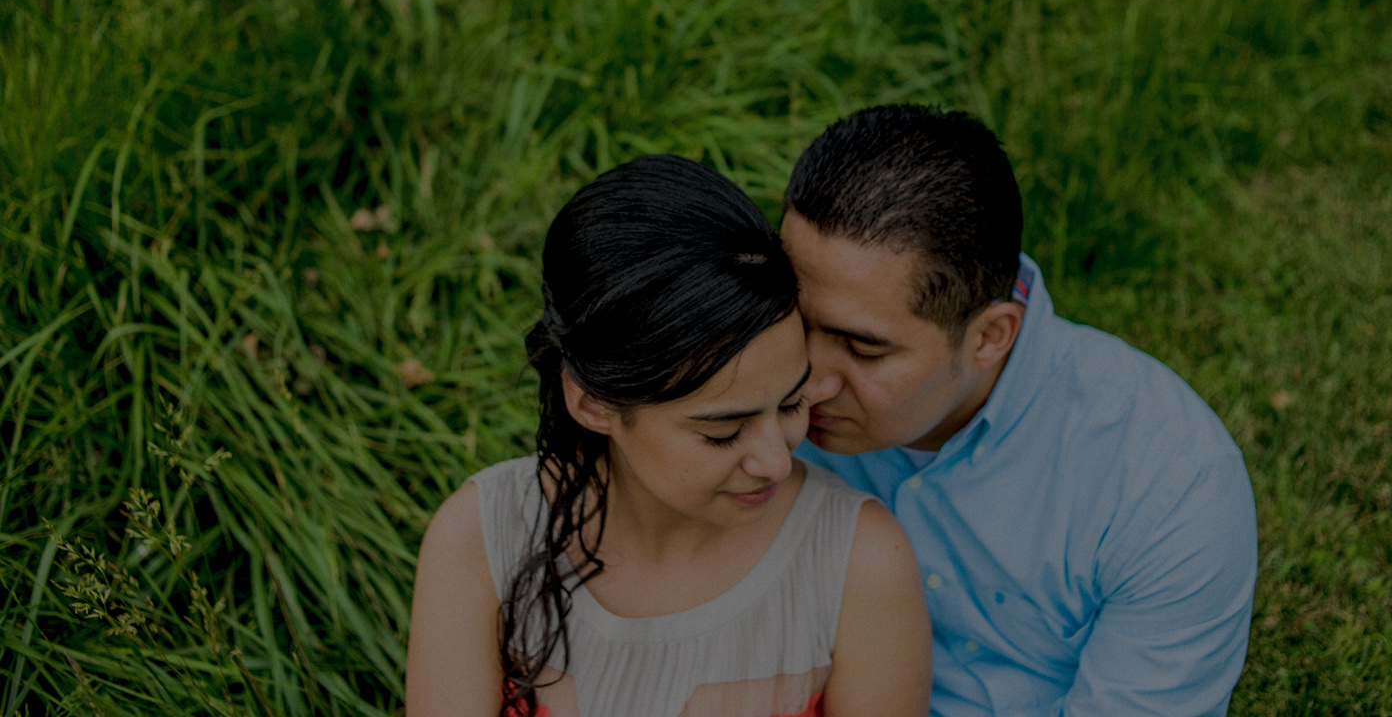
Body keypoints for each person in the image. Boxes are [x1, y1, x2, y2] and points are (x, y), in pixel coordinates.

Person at [406, 154, 932, 717]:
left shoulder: (859, 564)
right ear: (593, 403)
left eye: (791, 403)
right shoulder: (484, 538)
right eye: (723, 432)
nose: (776, 462)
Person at [783, 105, 1258, 717]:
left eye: (863, 347)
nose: (807, 382)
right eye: (796, 318)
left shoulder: (1169, 488)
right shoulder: (744, 385)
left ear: (989, 337)